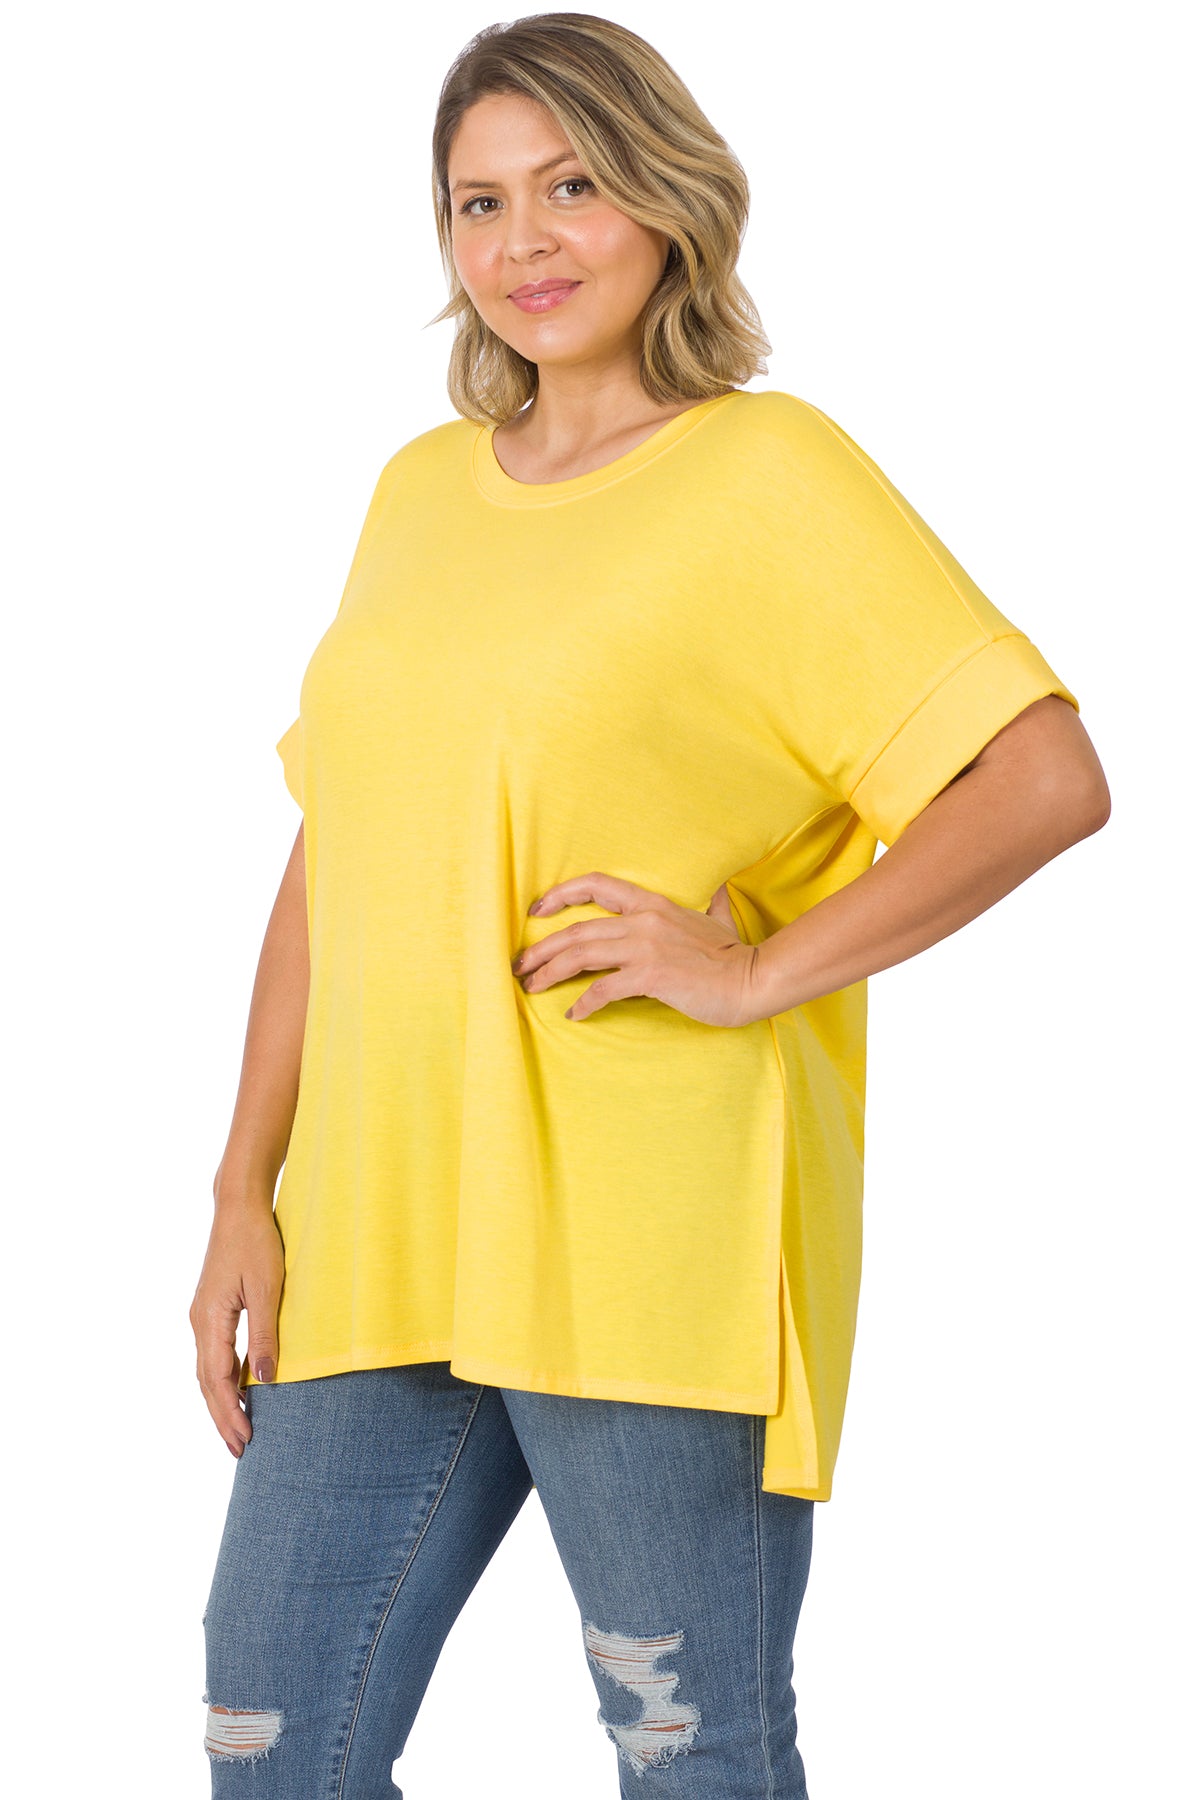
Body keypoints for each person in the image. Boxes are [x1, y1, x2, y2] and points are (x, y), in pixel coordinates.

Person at [190, 12, 1111, 1797]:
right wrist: (245, 1187)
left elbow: (1043, 776)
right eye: (478, 202)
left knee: (688, 1750)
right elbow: (334, 851)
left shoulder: (768, 476)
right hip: (382, 1226)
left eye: (572, 187)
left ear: (666, 201)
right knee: (272, 1742)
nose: (522, 242)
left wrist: (756, 970)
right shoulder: (417, 491)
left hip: (646, 1241)